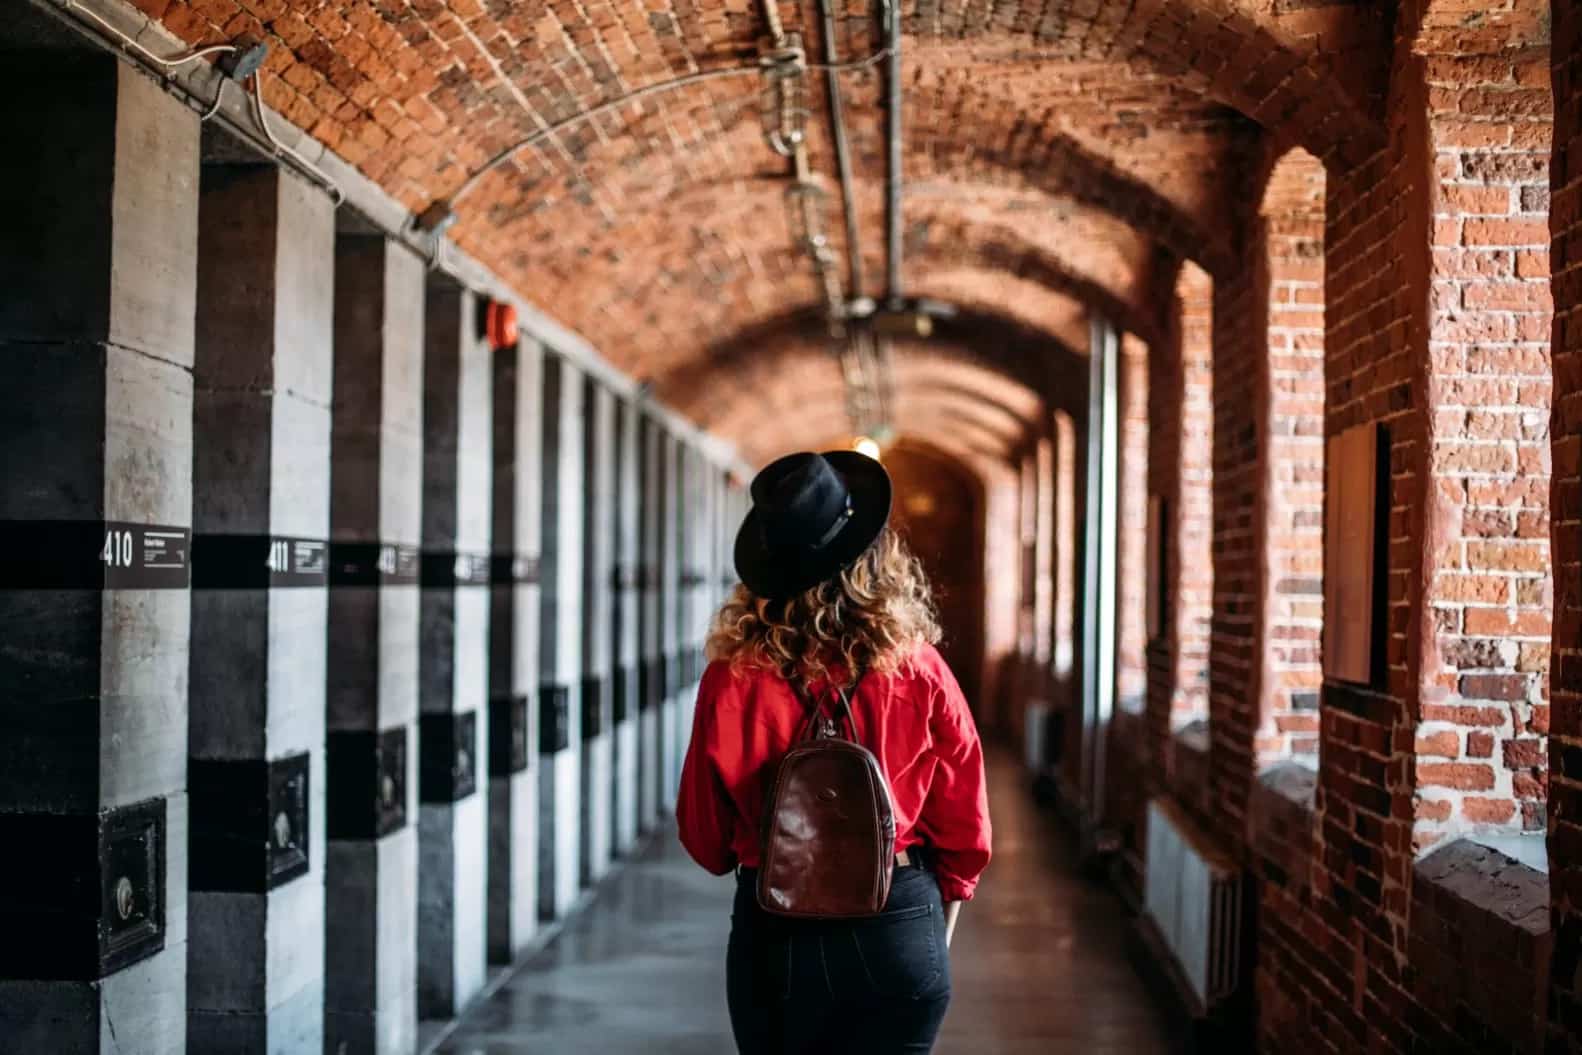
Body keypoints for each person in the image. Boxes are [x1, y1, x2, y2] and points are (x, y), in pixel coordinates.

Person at [677, 449, 992, 1055]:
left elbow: (705, 837)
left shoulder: (733, 676)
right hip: (897, 918)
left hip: (776, 925)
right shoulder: (918, 667)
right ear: (871, 564)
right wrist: (927, 924)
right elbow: (965, 826)